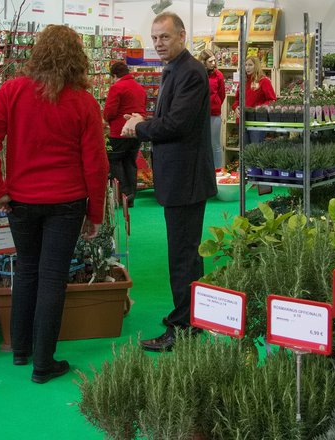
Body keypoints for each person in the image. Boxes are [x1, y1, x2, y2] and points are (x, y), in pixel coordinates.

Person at [0, 25, 109, 383]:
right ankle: (43, 363)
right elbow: (95, 163)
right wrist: (94, 212)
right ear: (76, 58)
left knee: (27, 272)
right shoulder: (83, 102)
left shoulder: (12, 91)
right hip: (67, 202)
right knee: (52, 279)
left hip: (21, 201)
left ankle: (21, 350)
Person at [122, 12, 217, 352]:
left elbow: (176, 125)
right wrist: (145, 120)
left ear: (182, 36)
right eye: (155, 37)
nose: (159, 43)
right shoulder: (175, 70)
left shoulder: (190, 72)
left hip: (186, 180)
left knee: (183, 256)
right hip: (179, 178)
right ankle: (189, 315)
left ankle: (184, 327)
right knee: (185, 254)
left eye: (165, 37)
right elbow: (171, 120)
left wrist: (139, 127)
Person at [103, 61, 147, 206]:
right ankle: (131, 195)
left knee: (115, 162)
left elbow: (109, 111)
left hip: (118, 132)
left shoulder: (116, 88)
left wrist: (105, 119)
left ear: (114, 75)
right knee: (130, 162)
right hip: (136, 131)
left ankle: (123, 195)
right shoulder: (139, 88)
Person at [231, 55, 276, 144]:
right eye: (246, 65)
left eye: (250, 65)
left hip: (257, 121)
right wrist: (235, 107)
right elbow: (236, 99)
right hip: (242, 121)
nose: (247, 67)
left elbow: (272, 100)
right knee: (244, 151)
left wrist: (260, 108)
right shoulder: (243, 81)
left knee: (255, 150)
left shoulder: (264, 81)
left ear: (256, 66)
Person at [197, 49, 226, 169]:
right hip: (199, 114)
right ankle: (202, 169)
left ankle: (217, 170)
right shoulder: (198, 73)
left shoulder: (218, 75)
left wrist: (215, 103)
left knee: (215, 144)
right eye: (210, 61)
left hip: (214, 113)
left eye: (214, 60)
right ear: (203, 62)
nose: (213, 63)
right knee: (200, 143)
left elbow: (222, 94)